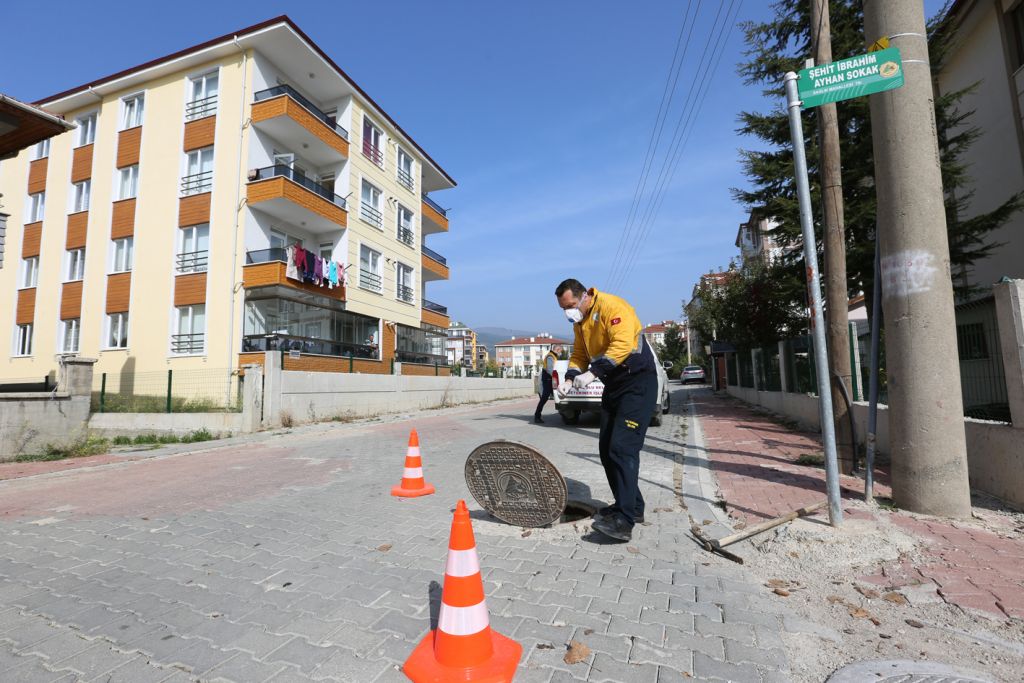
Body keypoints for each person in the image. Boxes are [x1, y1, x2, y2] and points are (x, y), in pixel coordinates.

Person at [554, 278, 657, 542]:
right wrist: (570, 377)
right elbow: (578, 353)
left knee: (622, 448)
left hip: (637, 383)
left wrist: (593, 374)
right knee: (606, 450)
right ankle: (633, 506)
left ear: (585, 296)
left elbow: (622, 344)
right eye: (564, 308)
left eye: (571, 305)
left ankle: (624, 522)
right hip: (615, 386)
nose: (569, 312)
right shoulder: (581, 322)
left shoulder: (612, 307)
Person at [534, 344, 563, 423]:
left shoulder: (553, 356)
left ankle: (564, 413)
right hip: (548, 380)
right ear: (557, 350)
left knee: (557, 396)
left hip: (550, 379)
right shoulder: (550, 356)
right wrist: (556, 377)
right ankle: (537, 416)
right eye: (560, 351)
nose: (561, 353)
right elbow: (550, 370)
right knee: (544, 398)